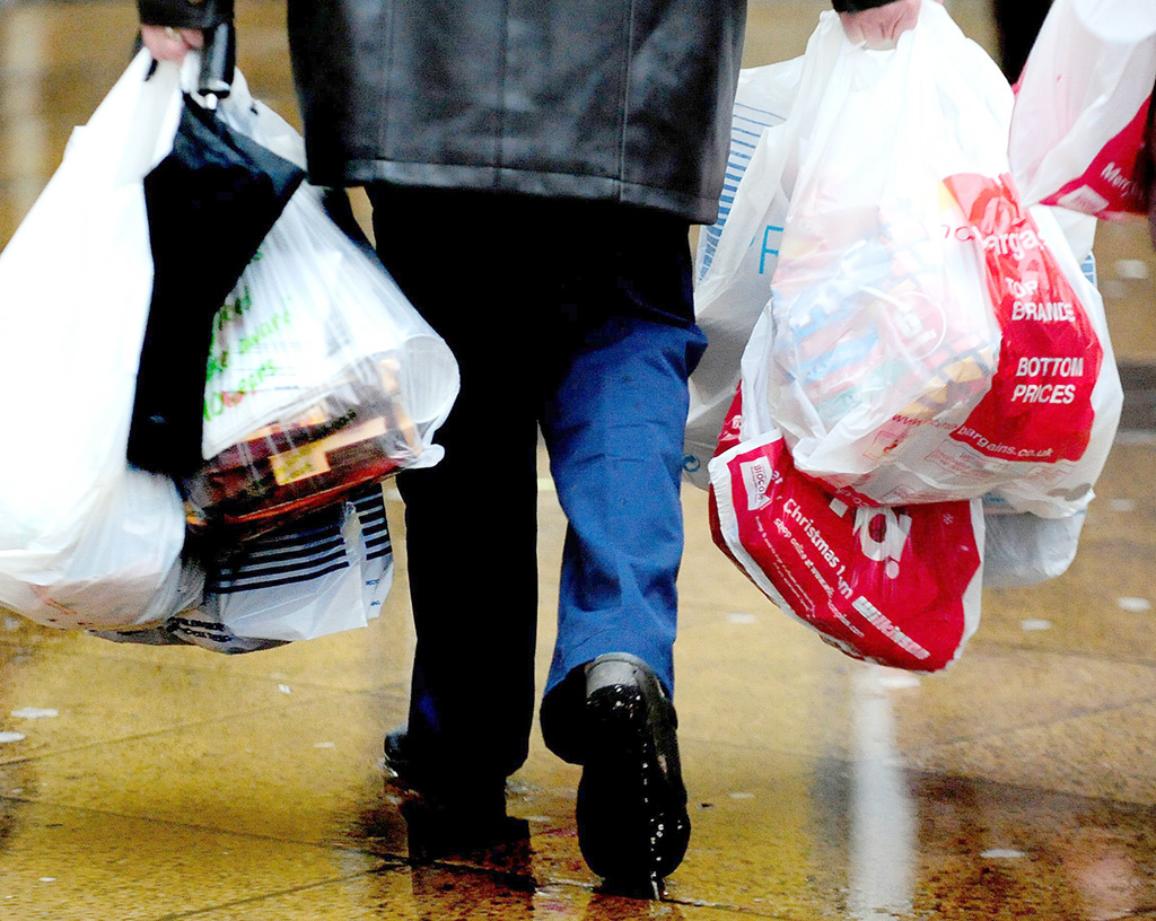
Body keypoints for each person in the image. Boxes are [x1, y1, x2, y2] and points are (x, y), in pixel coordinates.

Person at [139, 0, 924, 893]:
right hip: (637, 49)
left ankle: (463, 735)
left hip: (420, 57)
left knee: (455, 372)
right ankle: (620, 653)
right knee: (625, 334)